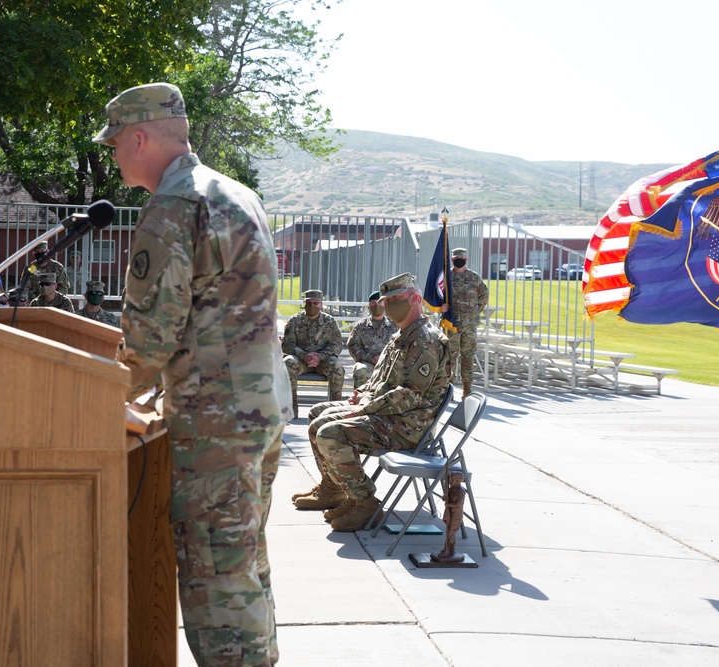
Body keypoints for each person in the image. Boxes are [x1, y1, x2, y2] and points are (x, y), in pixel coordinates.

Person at [94, 81, 291, 667]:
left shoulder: (174, 204)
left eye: (114, 144)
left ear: (138, 138)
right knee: (244, 563)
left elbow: (150, 337)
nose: (112, 156)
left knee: (216, 576)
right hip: (260, 408)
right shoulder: (237, 192)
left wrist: (95, 394)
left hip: (216, 421)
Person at [292, 273, 452, 532]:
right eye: (386, 300)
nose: (388, 306)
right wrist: (362, 394)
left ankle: (365, 502)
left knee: (330, 432)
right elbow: (382, 380)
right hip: (390, 415)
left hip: (409, 425)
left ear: (415, 299)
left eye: (395, 300)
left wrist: (363, 408)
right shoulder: (402, 335)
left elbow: (410, 394)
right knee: (317, 413)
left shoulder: (425, 339)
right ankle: (334, 488)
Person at [282, 289, 345, 413]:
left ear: (321, 305)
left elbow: (336, 344)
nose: (312, 306)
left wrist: (319, 356)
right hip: (301, 361)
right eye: (308, 303)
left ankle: (333, 411)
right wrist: (303, 355)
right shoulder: (294, 321)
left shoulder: (330, 321)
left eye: (315, 303)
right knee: (287, 363)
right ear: (304, 304)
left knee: (337, 367)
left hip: (323, 362)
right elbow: (287, 344)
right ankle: (291, 411)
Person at [443, 247, 488, 399]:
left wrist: (475, 312)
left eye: (461, 257)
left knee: (468, 356)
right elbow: (438, 295)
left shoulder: (474, 277)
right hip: (452, 324)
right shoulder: (446, 278)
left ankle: (466, 390)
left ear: (466, 259)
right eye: (456, 258)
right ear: (452, 260)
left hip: (469, 325)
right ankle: (448, 390)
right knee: (450, 356)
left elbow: (484, 295)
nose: (459, 260)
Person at [346, 289, 397, 389]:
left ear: (385, 304)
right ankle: (358, 401)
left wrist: (385, 359)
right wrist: (370, 358)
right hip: (367, 364)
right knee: (360, 370)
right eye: (373, 303)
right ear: (369, 306)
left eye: (380, 302)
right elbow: (353, 346)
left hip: (388, 364)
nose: (377, 305)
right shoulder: (361, 325)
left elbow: (401, 345)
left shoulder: (394, 325)